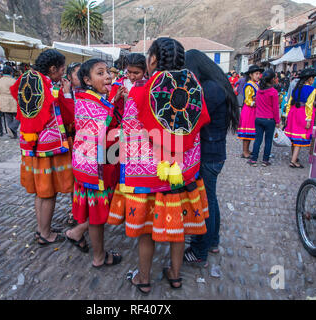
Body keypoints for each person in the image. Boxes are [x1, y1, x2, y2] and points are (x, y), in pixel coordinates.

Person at [107, 38, 210, 295]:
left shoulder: (142, 92)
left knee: (146, 231)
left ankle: (143, 278)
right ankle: (175, 275)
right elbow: (196, 127)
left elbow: (130, 132)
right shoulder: (193, 87)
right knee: (178, 227)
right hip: (181, 173)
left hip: (150, 177)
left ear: (152, 60)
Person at [10, 49, 74, 245]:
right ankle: (46, 234)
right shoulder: (48, 86)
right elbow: (68, 115)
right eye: (62, 70)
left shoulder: (26, 80)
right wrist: (66, 94)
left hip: (31, 144)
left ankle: (41, 228)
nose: (62, 75)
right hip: (47, 147)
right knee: (48, 192)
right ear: (53, 68)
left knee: (40, 191)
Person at [183, 49, 239, 267]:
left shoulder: (210, 90)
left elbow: (195, 118)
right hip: (214, 153)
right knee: (211, 200)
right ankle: (212, 241)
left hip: (209, 154)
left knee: (206, 202)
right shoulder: (216, 85)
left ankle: (200, 252)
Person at [70, 59, 123, 267]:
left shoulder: (97, 98)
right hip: (94, 167)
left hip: (103, 161)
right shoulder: (85, 100)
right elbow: (100, 128)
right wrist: (112, 100)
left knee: (98, 213)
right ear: (87, 80)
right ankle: (99, 257)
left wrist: (113, 100)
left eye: (108, 72)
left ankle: (76, 233)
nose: (108, 76)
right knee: (97, 216)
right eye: (100, 73)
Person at [285, 68, 316, 168]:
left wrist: (287, 114)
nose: (313, 80)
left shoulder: (296, 88)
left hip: (293, 112)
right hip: (302, 113)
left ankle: (294, 157)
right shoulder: (312, 90)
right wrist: (308, 119)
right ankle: (293, 160)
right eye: (313, 78)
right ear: (309, 79)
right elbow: (309, 105)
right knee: (299, 137)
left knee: (294, 136)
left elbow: (289, 102)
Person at [248, 69, 280, 167]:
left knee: (257, 139)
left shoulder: (259, 91)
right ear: (272, 80)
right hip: (269, 119)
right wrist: (278, 121)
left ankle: (254, 159)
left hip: (258, 119)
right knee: (268, 140)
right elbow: (275, 108)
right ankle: (265, 160)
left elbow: (257, 104)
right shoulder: (273, 92)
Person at [65, 62, 82, 227]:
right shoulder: (65, 93)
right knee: (72, 177)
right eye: (78, 74)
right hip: (71, 139)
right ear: (69, 77)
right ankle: (73, 209)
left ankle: (81, 208)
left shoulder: (88, 93)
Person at [109, 53, 147, 126]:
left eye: (136, 73)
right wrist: (116, 98)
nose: (132, 77)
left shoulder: (149, 86)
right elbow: (109, 108)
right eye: (129, 72)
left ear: (145, 71)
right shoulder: (118, 85)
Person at [237, 64, 264, 158]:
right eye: (256, 73)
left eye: (259, 74)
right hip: (249, 111)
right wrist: (254, 102)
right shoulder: (249, 85)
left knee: (251, 132)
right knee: (247, 132)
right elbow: (247, 100)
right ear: (251, 75)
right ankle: (245, 151)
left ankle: (247, 149)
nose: (258, 75)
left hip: (253, 111)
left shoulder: (256, 84)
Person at [0, 66, 19, 139]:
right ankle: (13, 128)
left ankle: (12, 134)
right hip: (12, 99)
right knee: (19, 116)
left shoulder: (0, 80)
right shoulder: (13, 80)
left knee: (8, 117)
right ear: (11, 72)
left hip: (3, 100)